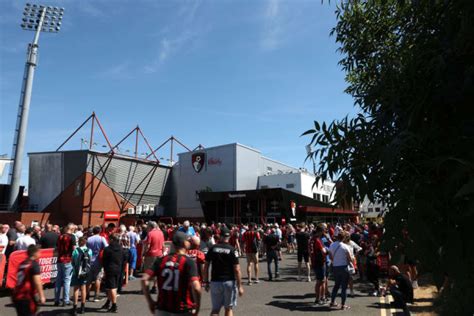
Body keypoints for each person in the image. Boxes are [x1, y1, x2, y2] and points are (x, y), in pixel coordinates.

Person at [142, 231, 202, 316]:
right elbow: (196, 287)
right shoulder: (189, 262)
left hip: (162, 309)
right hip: (182, 310)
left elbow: (144, 279)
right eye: (188, 241)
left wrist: (150, 301)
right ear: (184, 243)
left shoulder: (161, 260)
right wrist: (197, 306)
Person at [203, 227, 244, 316]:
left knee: (215, 309)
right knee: (228, 308)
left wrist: (205, 281)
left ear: (220, 236)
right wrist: (240, 286)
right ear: (229, 237)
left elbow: (206, 266)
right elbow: (237, 269)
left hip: (215, 281)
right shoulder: (232, 250)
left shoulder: (212, 248)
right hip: (229, 281)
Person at [12, 245, 46, 316]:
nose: (40, 254)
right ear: (35, 253)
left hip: (17, 294)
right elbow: (37, 282)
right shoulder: (34, 264)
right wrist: (41, 296)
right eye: (39, 252)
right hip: (26, 296)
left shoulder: (22, 263)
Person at [101, 234, 126, 313]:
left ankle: (114, 305)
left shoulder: (107, 249)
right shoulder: (121, 249)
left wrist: (104, 271)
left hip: (110, 269)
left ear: (111, 239)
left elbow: (104, 261)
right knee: (110, 287)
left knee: (112, 287)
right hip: (118, 269)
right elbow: (124, 261)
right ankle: (108, 303)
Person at [328, 231, 353, 310]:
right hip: (344, 267)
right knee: (344, 287)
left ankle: (332, 302)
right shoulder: (345, 246)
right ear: (344, 238)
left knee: (336, 285)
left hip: (335, 267)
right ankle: (343, 304)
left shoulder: (332, 245)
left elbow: (330, 256)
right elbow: (350, 259)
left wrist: (335, 260)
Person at [55, 223, 76, 307]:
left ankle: (57, 299)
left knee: (58, 280)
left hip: (59, 259)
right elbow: (74, 249)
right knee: (67, 280)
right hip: (68, 259)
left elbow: (57, 248)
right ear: (71, 229)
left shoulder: (60, 236)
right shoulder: (72, 237)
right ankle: (65, 300)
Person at [71, 237, 92, 315]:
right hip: (85, 272)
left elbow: (73, 262)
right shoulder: (89, 251)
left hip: (76, 272)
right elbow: (90, 260)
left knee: (76, 289)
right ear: (85, 242)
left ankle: (75, 308)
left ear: (79, 242)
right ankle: (83, 307)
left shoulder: (75, 251)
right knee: (83, 289)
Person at [86, 225, 108, 302]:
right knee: (98, 278)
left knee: (88, 279)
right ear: (100, 231)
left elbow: (86, 249)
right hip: (98, 260)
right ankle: (96, 296)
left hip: (89, 260)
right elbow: (106, 247)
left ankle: (87, 295)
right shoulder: (102, 238)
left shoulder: (89, 239)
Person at [143, 221, 165, 294]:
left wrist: (144, 253)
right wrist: (163, 253)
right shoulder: (161, 233)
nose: (147, 228)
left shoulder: (150, 233)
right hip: (159, 254)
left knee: (148, 271)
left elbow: (148, 245)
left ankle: (147, 288)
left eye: (148, 226)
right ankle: (154, 287)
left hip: (151, 254)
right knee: (156, 271)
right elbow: (163, 244)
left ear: (150, 227)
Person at [310, 227, 327, 304]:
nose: (325, 233)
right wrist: (328, 251)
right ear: (320, 231)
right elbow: (323, 251)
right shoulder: (317, 240)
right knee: (320, 281)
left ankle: (322, 297)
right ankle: (318, 299)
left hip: (314, 261)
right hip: (320, 262)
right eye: (324, 231)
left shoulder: (311, 239)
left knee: (321, 280)